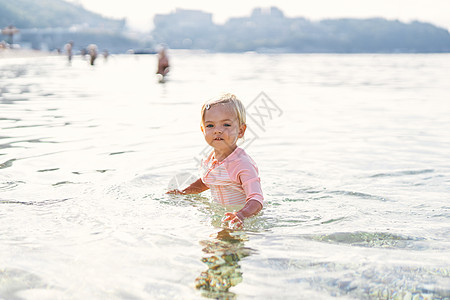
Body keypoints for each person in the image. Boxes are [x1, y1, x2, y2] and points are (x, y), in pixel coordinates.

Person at [167, 93, 264, 229]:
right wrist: (185, 192)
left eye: (226, 124)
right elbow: (207, 181)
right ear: (203, 129)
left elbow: (256, 199)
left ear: (241, 131)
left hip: (242, 220)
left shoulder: (242, 164)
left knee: (227, 247)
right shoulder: (209, 159)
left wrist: (241, 215)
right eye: (210, 126)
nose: (217, 130)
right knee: (210, 248)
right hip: (222, 216)